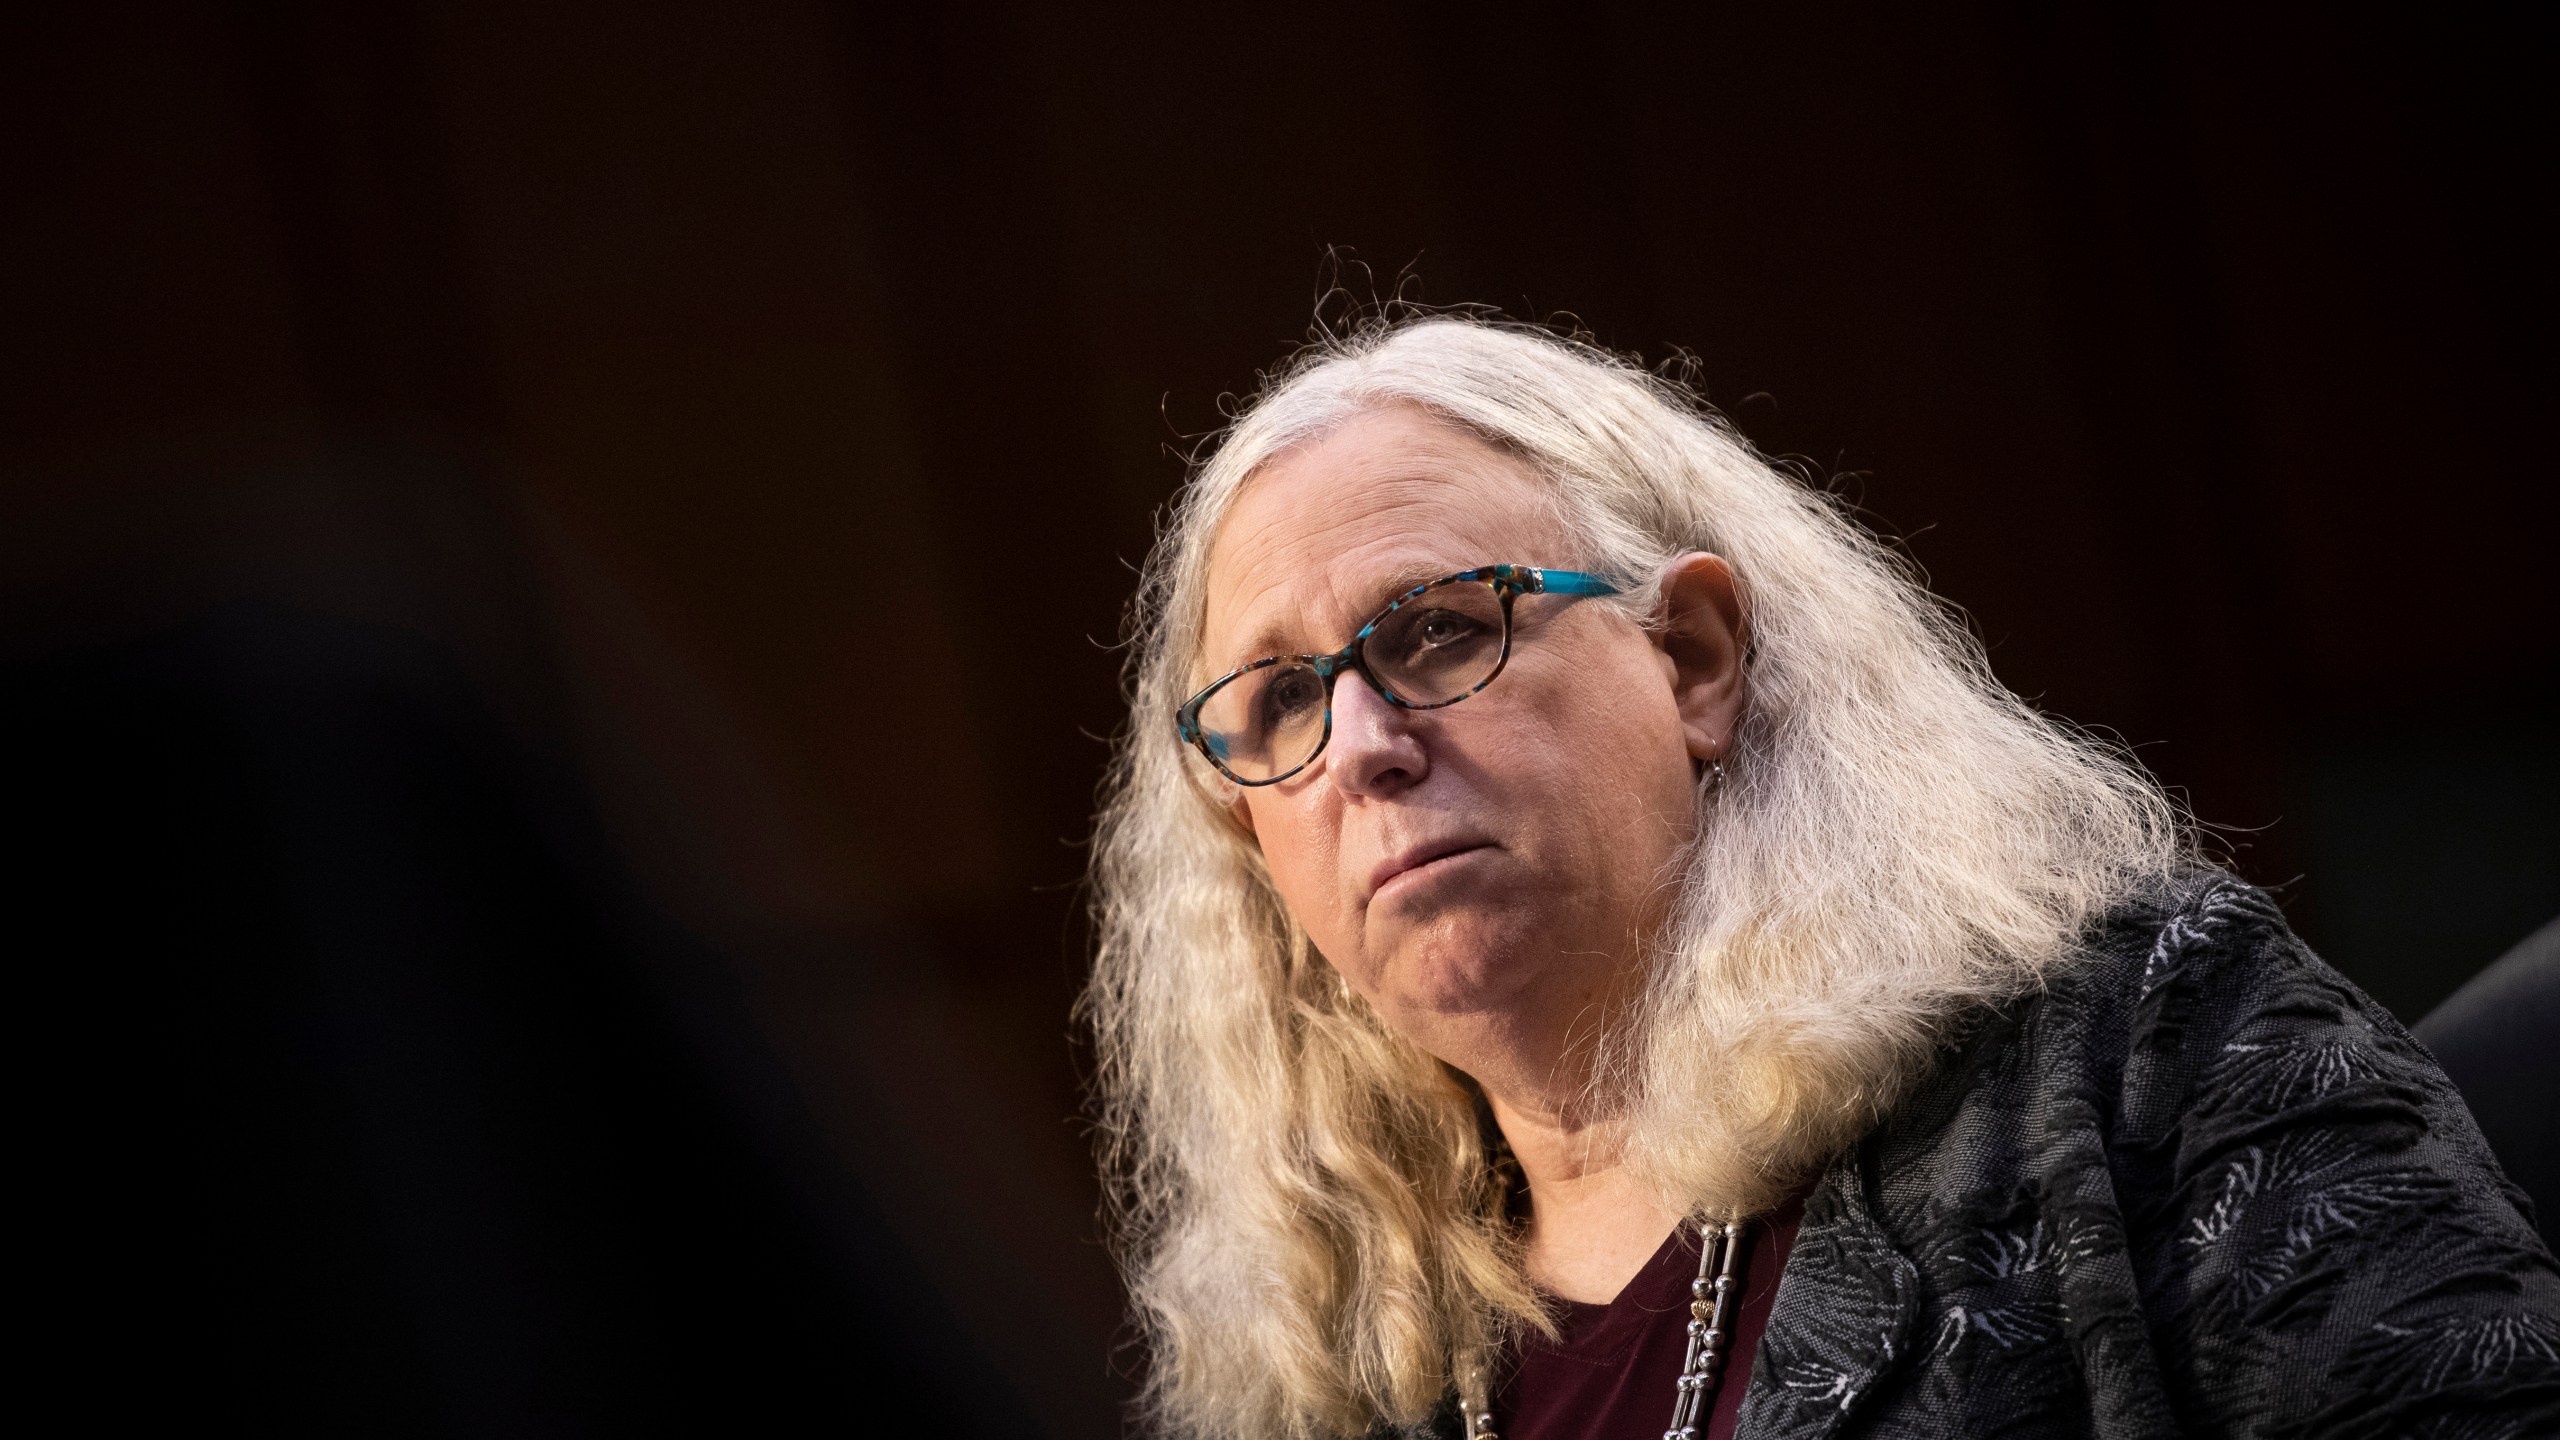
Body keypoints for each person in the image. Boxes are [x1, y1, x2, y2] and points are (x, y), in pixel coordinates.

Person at [1083, 316, 2560, 1440]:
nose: (1359, 746)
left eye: (1437, 630)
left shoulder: (2136, 1044)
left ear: (1693, 660)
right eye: (1276, 700)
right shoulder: (1327, 1376)